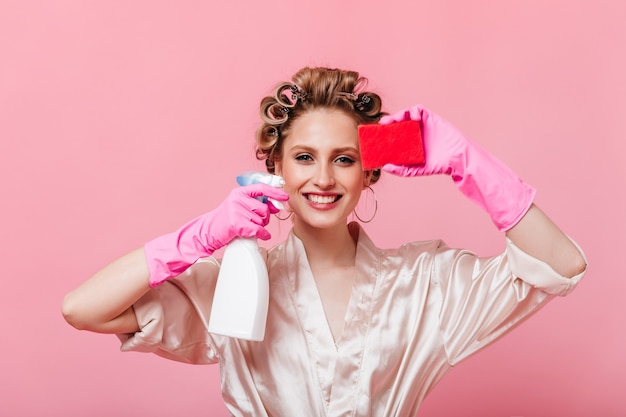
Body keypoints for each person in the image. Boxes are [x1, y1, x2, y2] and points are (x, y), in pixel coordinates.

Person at [62, 67, 587, 416]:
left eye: (344, 158)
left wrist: (468, 163)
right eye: (305, 158)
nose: (324, 179)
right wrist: (199, 237)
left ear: (368, 173)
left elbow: (560, 264)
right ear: (277, 170)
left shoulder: (426, 283)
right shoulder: (238, 285)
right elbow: (83, 308)